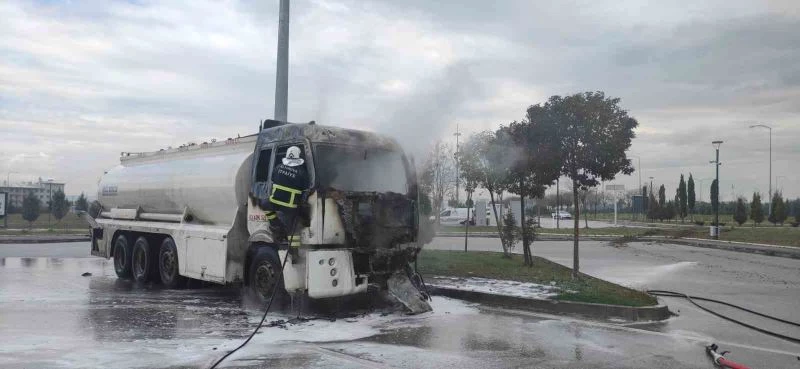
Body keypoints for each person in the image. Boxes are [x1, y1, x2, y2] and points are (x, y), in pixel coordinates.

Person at [265, 146, 309, 263]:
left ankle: (275, 225)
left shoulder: (278, 167)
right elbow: (306, 188)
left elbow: (273, 180)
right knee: (293, 231)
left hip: (274, 202)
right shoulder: (301, 172)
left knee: (264, 205)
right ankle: (294, 254)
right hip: (290, 206)